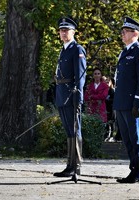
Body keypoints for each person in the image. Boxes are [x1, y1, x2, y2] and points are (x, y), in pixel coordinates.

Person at [113, 17, 139, 183]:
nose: (122, 33)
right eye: (122, 31)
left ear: (135, 33)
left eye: (125, 31)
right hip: (121, 102)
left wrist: (138, 103)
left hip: (132, 103)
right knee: (127, 139)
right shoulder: (124, 52)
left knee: (136, 138)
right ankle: (133, 170)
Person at [53, 17, 87, 177]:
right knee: (68, 130)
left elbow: (80, 75)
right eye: (61, 30)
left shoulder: (77, 49)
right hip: (62, 93)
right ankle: (69, 164)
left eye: (66, 30)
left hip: (71, 94)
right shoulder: (64, 49)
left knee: (75, 129)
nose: (63, 32)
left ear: (73, 32)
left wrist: (78, 97)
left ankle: (76, 166)